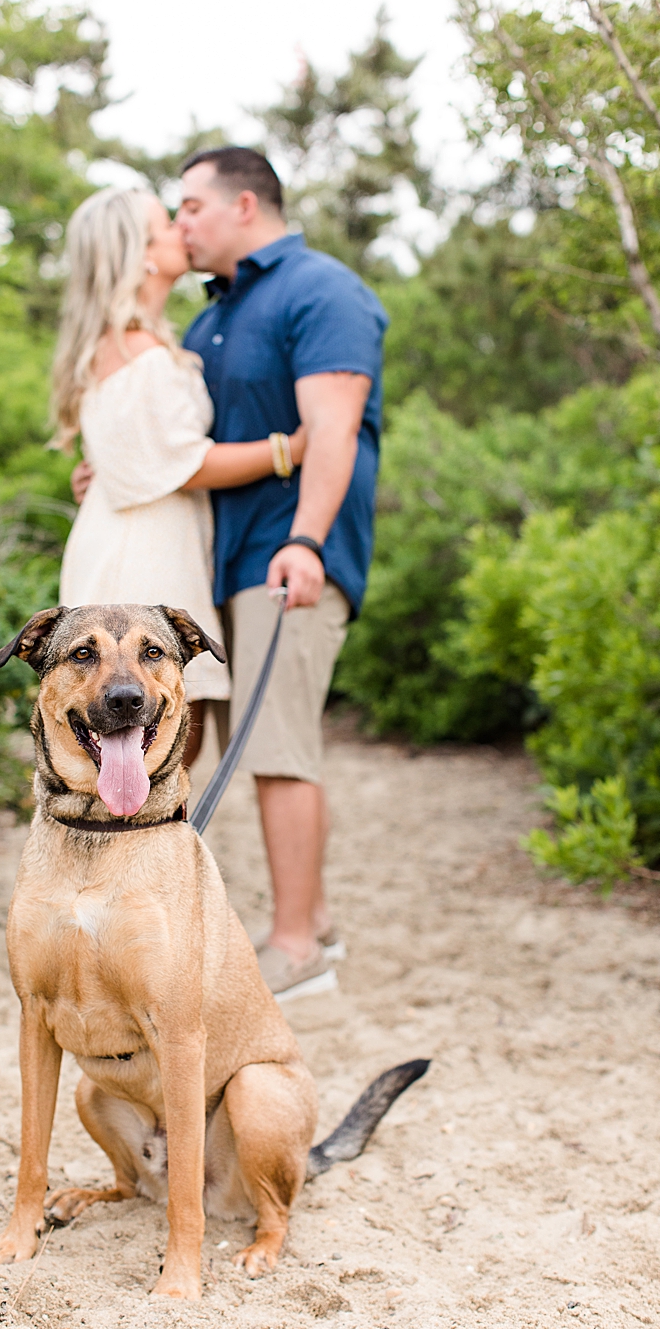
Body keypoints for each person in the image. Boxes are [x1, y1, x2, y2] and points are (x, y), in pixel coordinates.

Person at [173, 146, 388, 997]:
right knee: (248, 743)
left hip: (287, 554)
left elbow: (331, 431)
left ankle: (295, 949)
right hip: (220, 562)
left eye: (192, 206)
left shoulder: (322, 290)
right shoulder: (212, 318)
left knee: (278, 749)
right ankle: (319, 923)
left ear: (246, 205)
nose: (179, 222)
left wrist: (304, 541)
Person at [53, 185, 307, 769]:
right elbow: (182, 463)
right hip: (142, 560)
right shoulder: (136, 350)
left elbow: (139, 456)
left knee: (149, 756)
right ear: (139, 253)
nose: (180, 230)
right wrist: (289, 448)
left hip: (143, 537)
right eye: (165, 223)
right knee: (149, 748)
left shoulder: (138, 343)